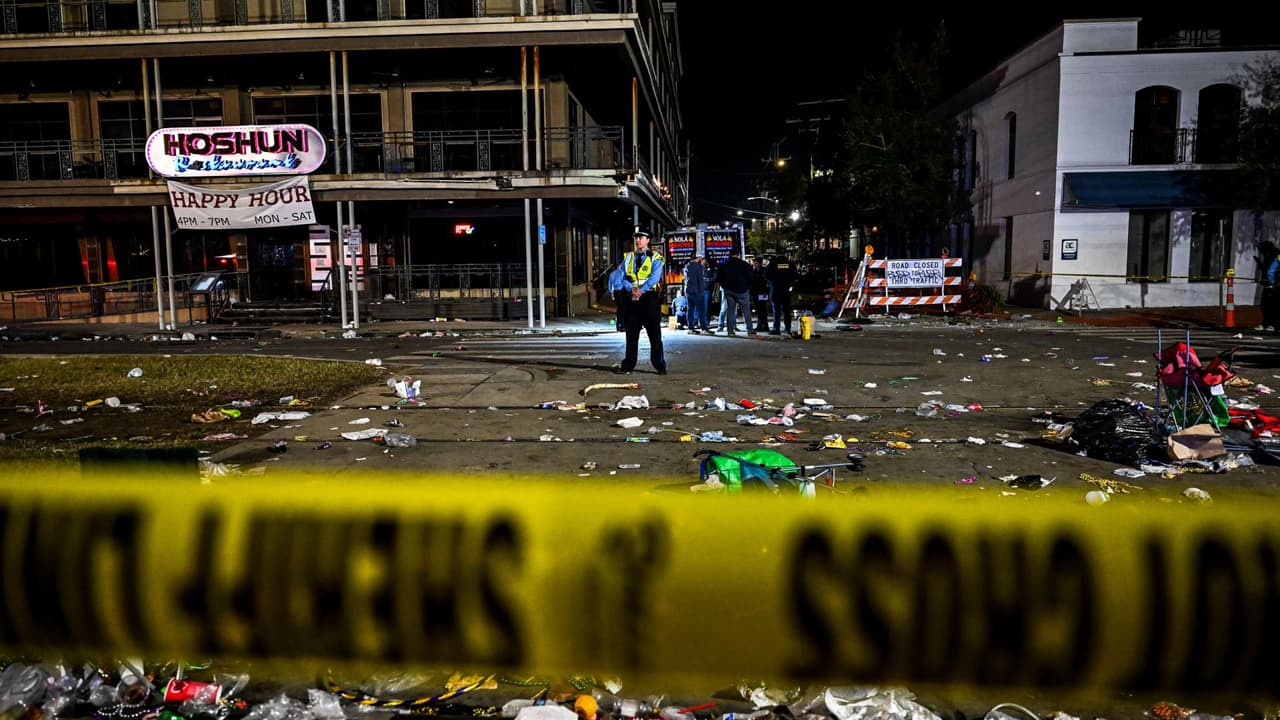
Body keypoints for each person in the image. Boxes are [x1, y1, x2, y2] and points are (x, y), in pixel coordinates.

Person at [615, 229, 667, 375]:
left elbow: (654, 278)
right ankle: (628, 365)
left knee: (654, 334)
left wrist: (640, 291)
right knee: (631, 335)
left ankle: (660, 365)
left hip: (649, 299)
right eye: (636, 238)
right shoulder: (629, 257)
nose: (638, 240)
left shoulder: (656, 258)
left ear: (648, 240)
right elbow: (623, 276)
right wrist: (632, 289)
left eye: (641, 238)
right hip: (632, 299)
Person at [716, 248, 754, 336]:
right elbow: (751, 277)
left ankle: (730, 331)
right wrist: (747, 287)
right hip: (742, 291)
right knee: (746, 311)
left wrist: (725, 287)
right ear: (738, 254)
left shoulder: (725, 265)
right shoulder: (744, 264)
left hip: (729, 291)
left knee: (730, 311)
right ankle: (750, 329)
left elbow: (719, 278)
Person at [767, 252, 797, 336]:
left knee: (776, 309)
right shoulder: (790, 264)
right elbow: (795, 276)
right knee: (787, 309)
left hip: (776, 289)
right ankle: (787, 328)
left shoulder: (773, 263)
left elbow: (766, 275)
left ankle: (776, 328)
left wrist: (773, 281)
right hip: (786, 290)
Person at [683, 254, 709, 333]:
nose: (702, 259)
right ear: (698, 258)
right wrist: (701, 292)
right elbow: (700, 280)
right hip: (697, 291)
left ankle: (690, 328)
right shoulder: (698, 266)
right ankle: (703, 329)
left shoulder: (687, 265)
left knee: (690, 310)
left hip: (688, 291)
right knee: (701, 310)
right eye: (701, 258)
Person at [1258, 241, 1279, 332]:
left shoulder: (1276, 256)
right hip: (1272, 284)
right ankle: (1268, 323)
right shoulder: (1271, 256)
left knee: (1270, 305)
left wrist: (1272, 282)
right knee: (1267, 305)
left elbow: (1270, 271)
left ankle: (1272, 324)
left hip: (1274, 284)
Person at [607, 260, 627, 332]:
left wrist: (612, 294)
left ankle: (619, 325)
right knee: (624, 309)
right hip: (623, 292)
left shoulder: (612, 274)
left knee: (619, 309)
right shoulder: (623, 273)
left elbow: (610, 286)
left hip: (616, 292)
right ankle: (623, 325)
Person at [751, 256, 770, 332]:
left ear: (759, 263)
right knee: (759, 309)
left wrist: (765, 292)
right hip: (757, 292)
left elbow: (764, 282)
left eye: (755, 263)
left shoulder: (763, 271)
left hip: (762, 292)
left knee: (762, 309)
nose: (754, 265)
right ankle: (761, 325)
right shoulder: (756, 271)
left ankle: (764, 325)